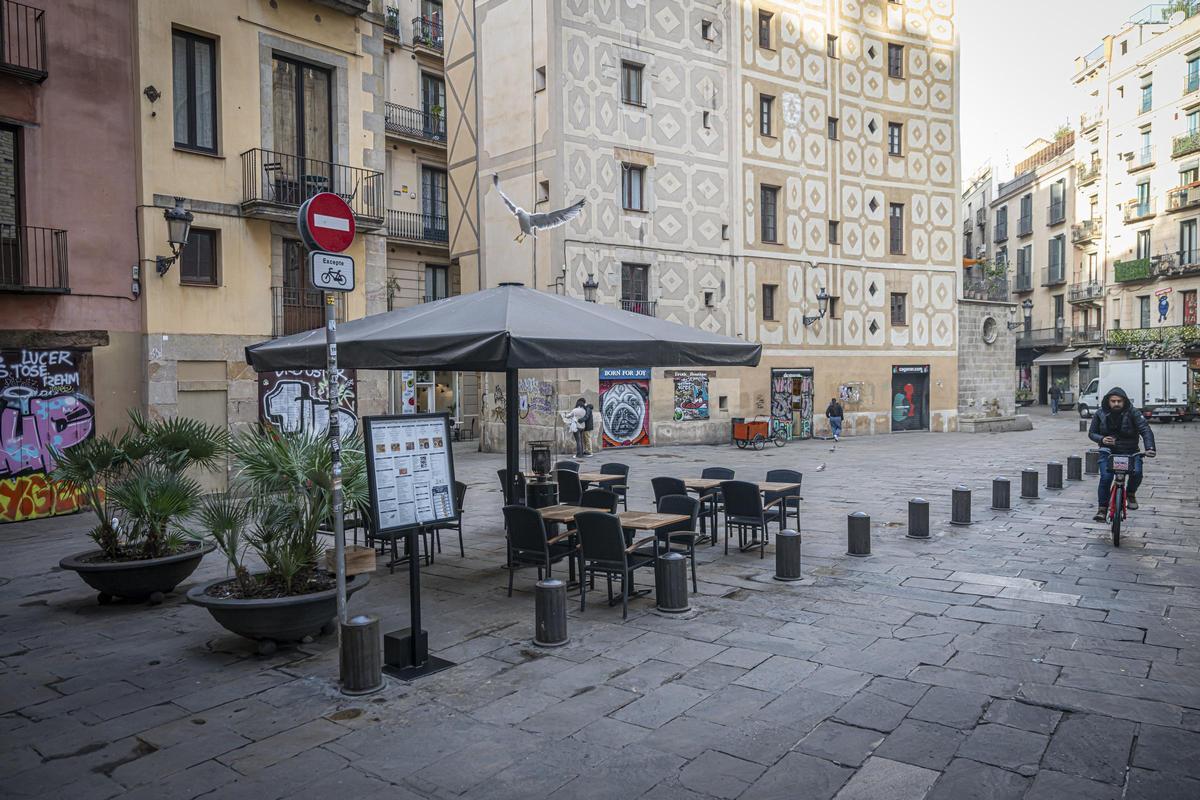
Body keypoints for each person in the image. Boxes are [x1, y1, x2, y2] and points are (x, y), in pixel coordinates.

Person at [1087, 386, 1156, 522]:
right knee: (1106, 478)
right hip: (1107, 451)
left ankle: (1130, 493)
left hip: (1131, 451)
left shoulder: (1134, 413)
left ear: (1124, 401)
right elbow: (1091, 433)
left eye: (1119, 401)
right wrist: (1101, 439)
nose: (1116, 404)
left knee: (1137, 473)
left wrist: (1150, 447)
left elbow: (1145, 429)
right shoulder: (1100, 413)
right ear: (1108, 401)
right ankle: (1102, 509)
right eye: (1113, 401)